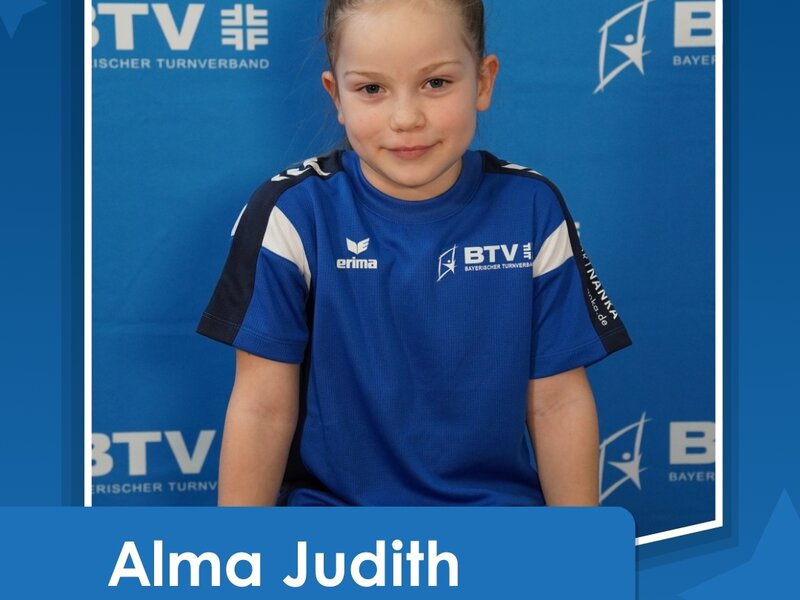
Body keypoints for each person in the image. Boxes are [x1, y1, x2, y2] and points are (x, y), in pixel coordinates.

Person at [198, 0, 631, 507]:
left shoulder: (533, 208)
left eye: (436, 83)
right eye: (371, 89)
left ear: (483, 81)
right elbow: (262, 409)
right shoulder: (290, 214)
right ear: (336, 96)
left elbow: (557, 404)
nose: (406, 118)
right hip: (335, 527)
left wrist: (578, 545)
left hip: (495, 524)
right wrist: (240, 550)